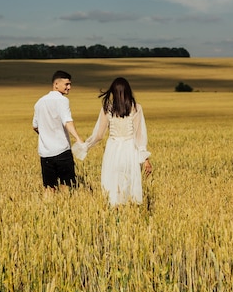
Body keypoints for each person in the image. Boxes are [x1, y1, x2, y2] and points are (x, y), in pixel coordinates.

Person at [73, 77, 152, 206]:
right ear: (128, 91)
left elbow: (98, 135)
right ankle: (130, 210)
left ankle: (114, 210)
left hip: (113, 150)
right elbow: (140, 136)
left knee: (113, 181)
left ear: (113, 92)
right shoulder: (137, 108)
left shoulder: (107, 108)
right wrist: (145, 158)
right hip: (129, 150)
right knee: (130, 182)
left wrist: (85, 146)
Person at [32, 70, 83, 189]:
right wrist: (78, 138)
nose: (69, 87)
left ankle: (46, 207)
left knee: (49, 188)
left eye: (70, 84)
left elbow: (35, 126)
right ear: (56, 84)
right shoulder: (62, 100)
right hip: (62, 151)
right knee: (67, 187)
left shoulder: (39, 102)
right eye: (66, 84)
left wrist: (46, 134)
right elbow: (67, 121)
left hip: (45, 153)